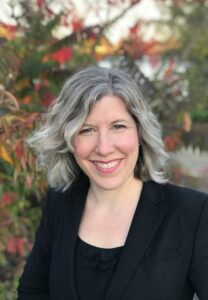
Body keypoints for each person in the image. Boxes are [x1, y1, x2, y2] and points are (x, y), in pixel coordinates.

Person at [17, 66, 208, 300]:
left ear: (140, 131)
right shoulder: (59, 203)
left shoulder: (194, 212)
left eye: (118, 126)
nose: (104, 148)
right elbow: (33, 292)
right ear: (67, 139)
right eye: (86, 130)